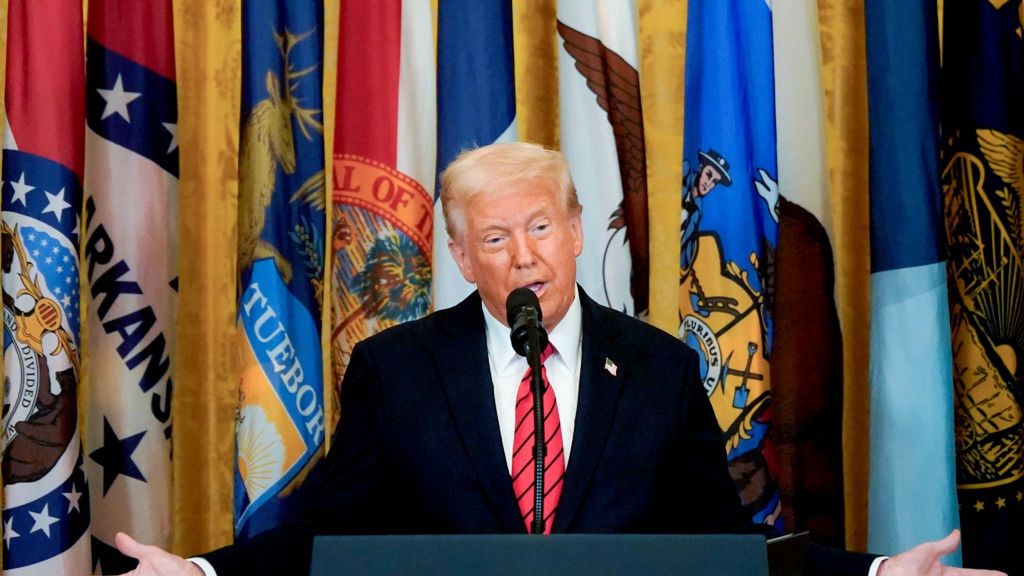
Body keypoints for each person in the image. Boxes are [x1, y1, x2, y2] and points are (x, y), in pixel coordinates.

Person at [116, 143, 1002, 576]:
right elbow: (322, 536)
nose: (523, 255)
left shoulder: (658, 369)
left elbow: (725, 545)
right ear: (462, 257)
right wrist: (199, 571)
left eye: (540, 227)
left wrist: (877, 572)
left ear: (577, 231)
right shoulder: (397, 369)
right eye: (495, 238)